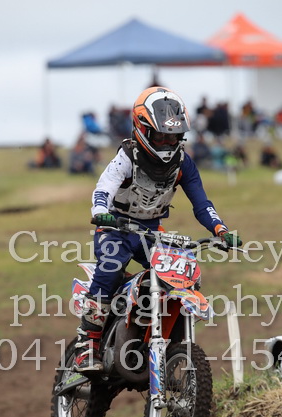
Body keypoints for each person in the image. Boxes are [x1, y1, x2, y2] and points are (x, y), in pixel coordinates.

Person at [73, 86, 242, 372]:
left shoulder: (183, 163)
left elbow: (201, 203)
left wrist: (220, 230)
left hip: (151, 231)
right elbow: (104, 187)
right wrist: (100, 212)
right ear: (142, 129)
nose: (166, 143)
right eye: (161, 136)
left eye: (172, 137)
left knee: (181, 275)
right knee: (111, 267)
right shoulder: (127, 156)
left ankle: (166, 339)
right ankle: (86, 345)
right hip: (116, 228)